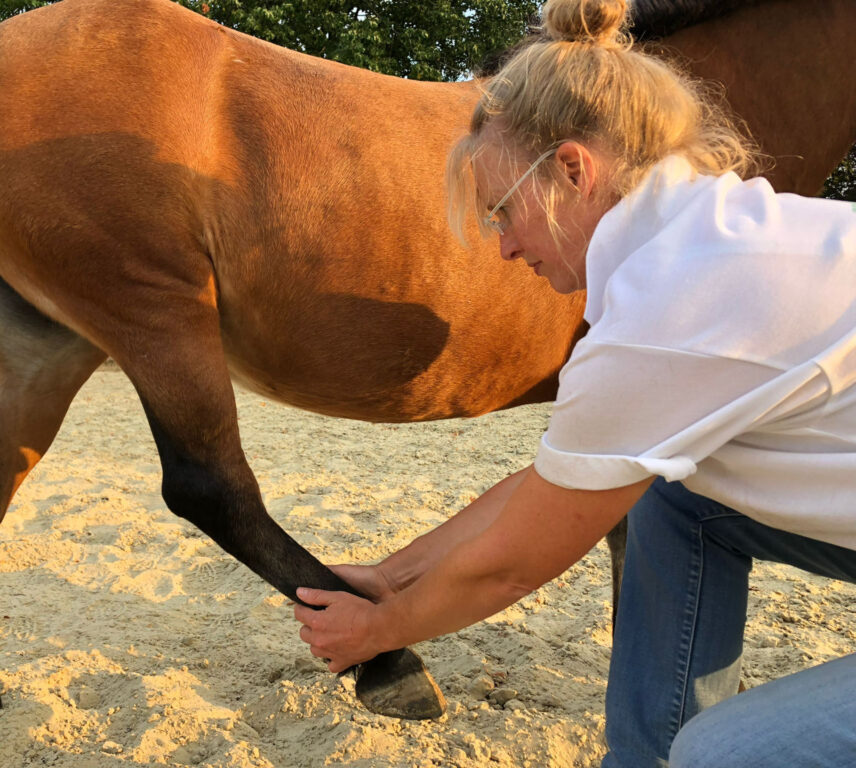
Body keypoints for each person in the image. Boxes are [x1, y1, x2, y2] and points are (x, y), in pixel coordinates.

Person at [291, 0, 856, 765]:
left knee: (722, 753)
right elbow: (557, 485)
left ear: (572, 170)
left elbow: (516, 560)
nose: (502, 247)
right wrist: (391, 579)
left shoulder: (667, 305)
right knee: (674, 494)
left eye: (502, 211)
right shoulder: (707, 235)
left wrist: (380, 629)